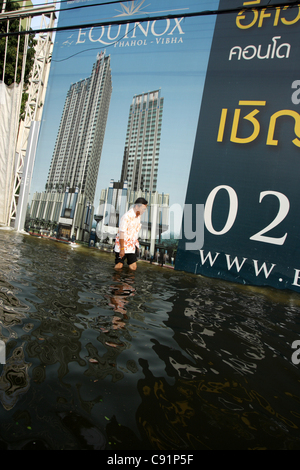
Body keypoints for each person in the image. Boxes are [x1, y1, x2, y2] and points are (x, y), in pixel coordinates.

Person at [114, 198, 148, 271]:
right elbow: (121, 233)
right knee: (119, 265)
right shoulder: (126, 216)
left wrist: (136, 244)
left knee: (133, 267)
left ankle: (127, 282)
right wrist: (122, 249)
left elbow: (134, 231)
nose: (143, 211)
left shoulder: (138, 216)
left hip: (131, 246)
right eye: (143, 209)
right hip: (122, 245)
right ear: (136, 207)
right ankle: (114, 281)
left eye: (145, 209)